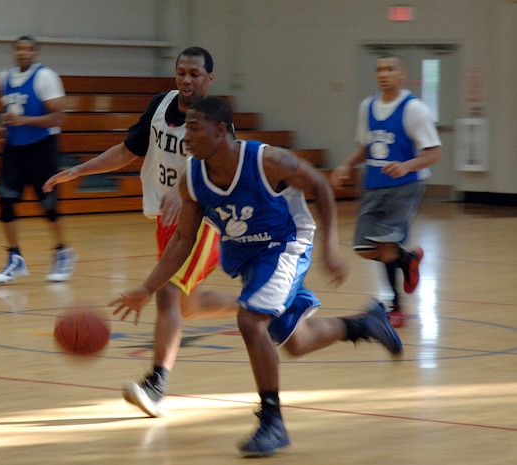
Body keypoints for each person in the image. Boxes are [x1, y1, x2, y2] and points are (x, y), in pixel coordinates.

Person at [110, 97, 403, 457]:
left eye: (194, 128)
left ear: (220, 131)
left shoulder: (268, 161)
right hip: (249, 255)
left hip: (287, 243)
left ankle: (272, 421)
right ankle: (366, 324)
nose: (186, 137)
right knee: (296, 341)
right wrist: (147, 287)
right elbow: (184, 240)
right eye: (185, 128)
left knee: (250, 320)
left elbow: (321, 186)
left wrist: (330, 246)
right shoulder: (193, 179)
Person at [43, 47, 237, 417]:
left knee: (167, 294)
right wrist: (79, 170)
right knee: (185, 304)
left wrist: (186, 191)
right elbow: (128, 150)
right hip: (168, 220)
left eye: (195, 73)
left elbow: (219, 170)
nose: (186, 79)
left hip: (207, 221)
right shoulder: (160, 106)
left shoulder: (217, 119)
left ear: (210, 79)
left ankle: (156, 383)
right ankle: (270, 307)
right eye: (181, 71)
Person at [330, 54, 442, 327]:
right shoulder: (367, 106)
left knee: (386, 245)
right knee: (364, 247)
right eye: (379, 69)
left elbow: (434, 153)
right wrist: (346, 164)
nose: (384, 74)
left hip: (405, 186)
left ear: (402, 74)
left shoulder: (413, 108)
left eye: (390, 69)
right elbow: (367, 146)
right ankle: (410, 257)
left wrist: (406, 166)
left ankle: (395, 307)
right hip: (373, 185)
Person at [0, 35, 77, 284]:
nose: (23, 53)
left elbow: (59, 116)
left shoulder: (45, 77)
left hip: (41, 147)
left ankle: (63, 252)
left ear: (35, 53)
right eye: (19, 49)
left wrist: (26, 121)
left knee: (48, 205)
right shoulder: (3, 78)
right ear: (14, 52)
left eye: (28, 49)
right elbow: (6, 112)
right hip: (13, 148)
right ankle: (15, 258)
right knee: (5, 202)